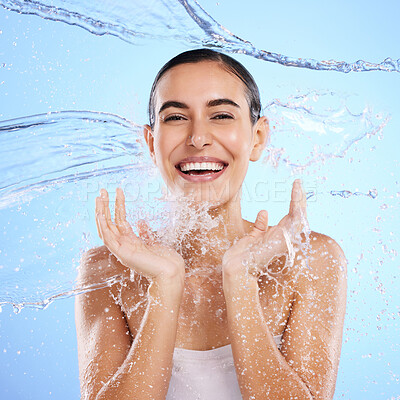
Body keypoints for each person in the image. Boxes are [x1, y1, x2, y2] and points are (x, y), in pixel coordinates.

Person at [75, 49, 347, 400]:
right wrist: (165, 282)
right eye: (175, 118)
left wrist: (241, 280)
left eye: (220, 115)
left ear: (258, 138)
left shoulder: (309, 260)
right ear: (150, 142)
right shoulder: (107, 269)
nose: (198, 137)